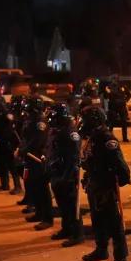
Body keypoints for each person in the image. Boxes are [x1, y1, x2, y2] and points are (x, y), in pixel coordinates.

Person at [78, 106, 131, 261]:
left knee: (114, 223)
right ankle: (101, 249)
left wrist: (120, 181)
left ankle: (120, 257)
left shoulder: (107, 138)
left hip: (106, 186)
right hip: (94, 183)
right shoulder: (93, 137)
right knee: (97, 219)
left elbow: (120, 164)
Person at [46, 103, 83, 247]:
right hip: (57, 171)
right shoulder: (57, 130)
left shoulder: (70, 132)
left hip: (67, 173)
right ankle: (66, 229)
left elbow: (73, 157)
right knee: (62, 204)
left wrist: (67, 176)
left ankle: (77, 234)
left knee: (71, 205)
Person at [19, 97, 53, 230]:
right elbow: (26, 138)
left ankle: (47, 218)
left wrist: (24, 150)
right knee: (34, 187)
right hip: (30, 157)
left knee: (42, 189)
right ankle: (39, 213)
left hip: (38, 158)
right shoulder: (31, 119)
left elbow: (37, 141)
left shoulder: (40, 122)